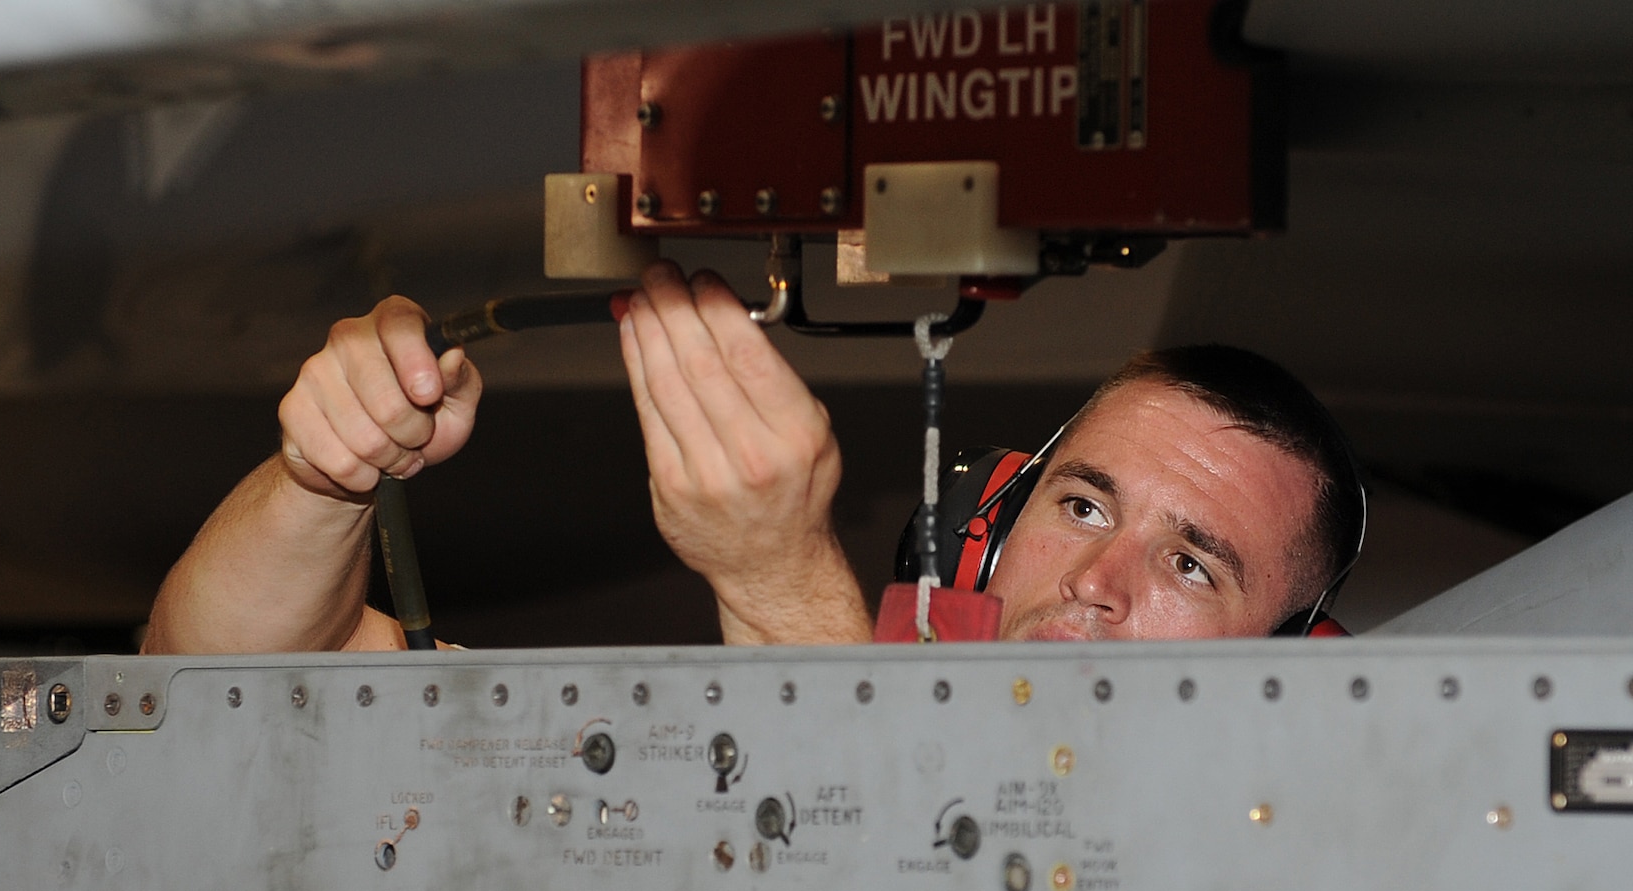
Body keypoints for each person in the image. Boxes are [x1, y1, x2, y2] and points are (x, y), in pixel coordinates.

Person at [142, 261, 1362, 653]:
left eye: (1191, 565)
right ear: (979, 528)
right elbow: (210, 681)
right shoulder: (695, 753)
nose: (1097, 583)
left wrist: (779, 581)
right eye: (1084, 505)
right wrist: (329, 476)